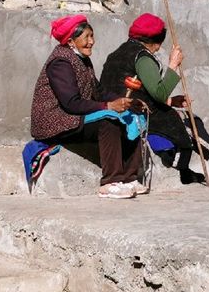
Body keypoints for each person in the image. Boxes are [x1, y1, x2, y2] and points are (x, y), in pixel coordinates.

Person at [30, 14, 143, 199]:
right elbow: (71, 103)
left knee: (131, 117)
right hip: (56, 120)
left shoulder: (83, 59)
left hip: (74, 115)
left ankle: (130, 177)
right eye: (87, 37)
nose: (92, 42)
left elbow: (98, 91)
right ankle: (110, 183)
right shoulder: (60, 63)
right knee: (109, 121)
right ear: (71, 41)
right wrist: (108, 106)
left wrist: (124, 101)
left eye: (92, 36)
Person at [100, 13, 209, 185]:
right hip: (133, 108)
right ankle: (178, 165)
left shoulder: (118, 52)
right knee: (185, 121)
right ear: (156, 41)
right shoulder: (143, 57)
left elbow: (144, 90)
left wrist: (171, 101)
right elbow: (159, 94)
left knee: (175, 111)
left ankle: (185, 170)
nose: (159, 48)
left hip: (120, 102)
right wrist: (173, 66)